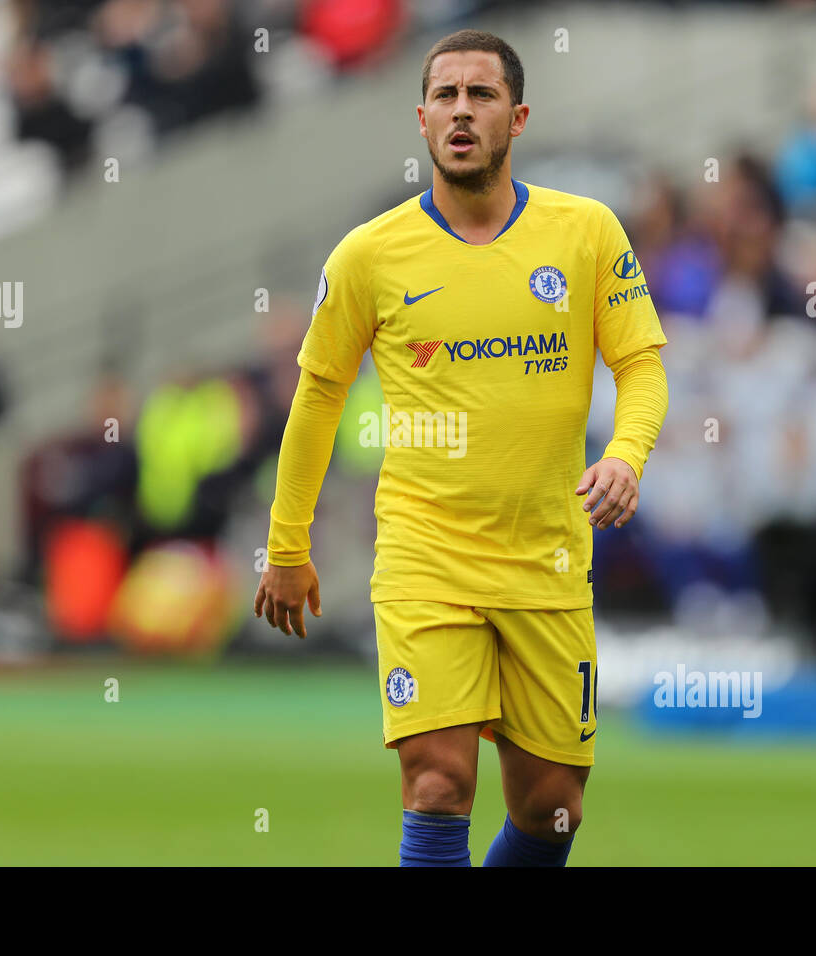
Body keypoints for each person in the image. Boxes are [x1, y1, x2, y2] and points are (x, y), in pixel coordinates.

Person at [253, 29, 669, 867]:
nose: (462, 112)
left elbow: (641, 365)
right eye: (445, 96)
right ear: (420, 119)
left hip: (549, 561)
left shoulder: (585, 233)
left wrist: (626, 454)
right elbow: (317, 399)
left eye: (481, 96)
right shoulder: (369, 255)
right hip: (425, 556)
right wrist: (287, 545)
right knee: (439, 783)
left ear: (516, 117)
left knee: (553, 809)